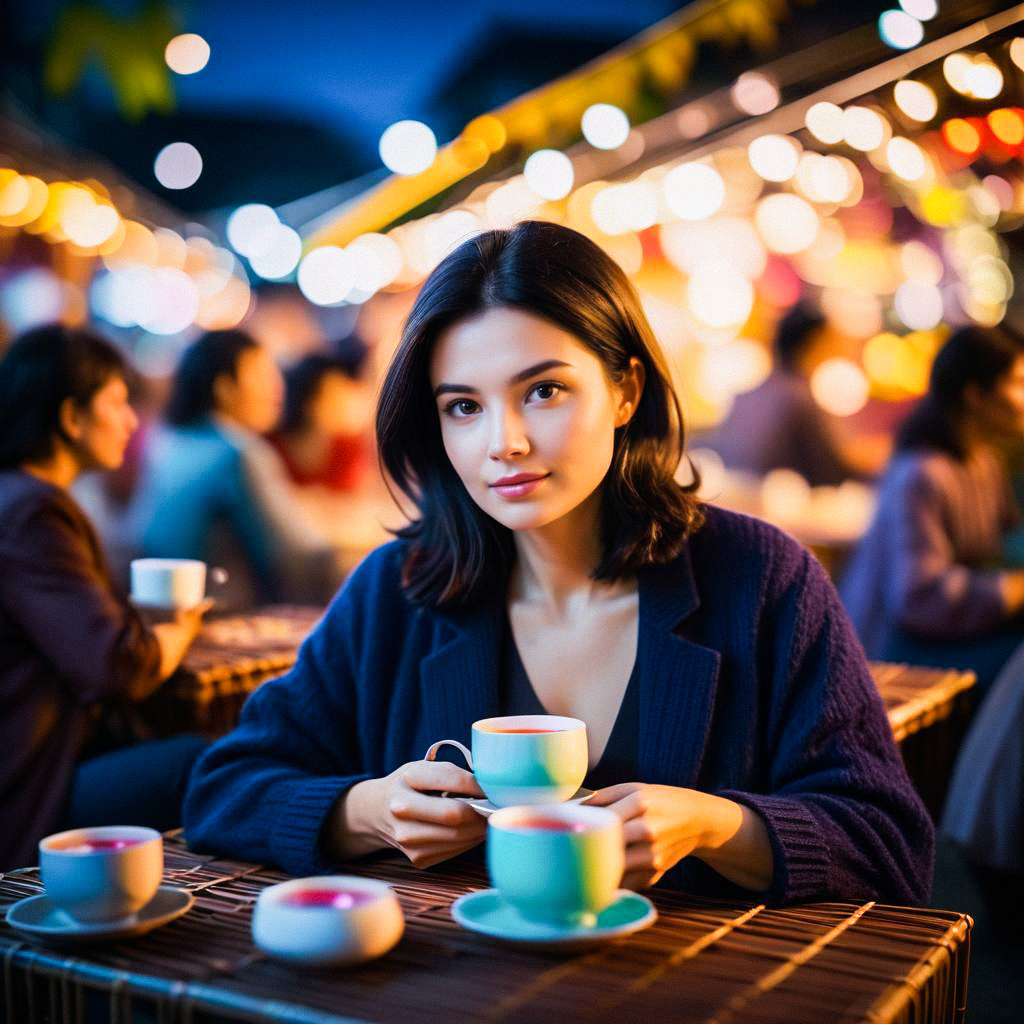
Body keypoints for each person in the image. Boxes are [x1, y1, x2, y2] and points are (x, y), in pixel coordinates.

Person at [184, 221, 932, 906]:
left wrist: (719, 825)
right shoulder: (400, 589)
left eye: (543, 391)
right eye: (463, 407)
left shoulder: (760, 579)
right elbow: (225, 788)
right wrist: (363, 811)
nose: (503, 442)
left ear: (625, 389)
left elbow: (892, 846)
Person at [0, 325, 210, 871]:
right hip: (27, 790)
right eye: (117, 402)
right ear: (71, 419)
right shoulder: (32, 511)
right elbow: (115, 667)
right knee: (206, 763)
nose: (132, 421)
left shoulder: (18, 498)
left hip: (39, 761)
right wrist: (178, 626)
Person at [840, 325, 1024, 693]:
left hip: (947, 634)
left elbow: (1008, 543)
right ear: (975, 395)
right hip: (890, 652)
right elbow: (919, 598)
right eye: (1018, 381)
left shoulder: (981, 462)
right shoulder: (923, 473)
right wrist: (1013, 590)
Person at [132, 329, 345, 610]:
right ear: (224, 388)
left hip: (176, 610)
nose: (277, 387)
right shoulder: (237, 452)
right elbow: (298, 558)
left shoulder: (171, 442)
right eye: (261, 375)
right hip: (230, 614)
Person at [705, 304, 867, 486]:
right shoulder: (799, 401)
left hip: (733, 503)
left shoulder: (746, 396)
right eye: (831, 343)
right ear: (815, 345)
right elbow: (829, 473)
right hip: (777, 509)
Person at [269, 348, 373, 492]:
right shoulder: (271, 446)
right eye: (332, 396)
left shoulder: (349, 446)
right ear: (307, 400)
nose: (341, 404)